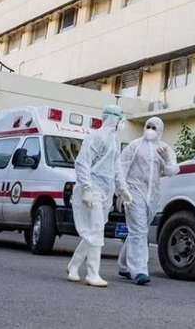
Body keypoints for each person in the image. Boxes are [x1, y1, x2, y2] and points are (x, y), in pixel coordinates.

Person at [65, 104, 127, 287]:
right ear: (114, 119)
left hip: (106, 191)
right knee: (97, 229)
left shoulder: (114, 140)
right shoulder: (96, 137)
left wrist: (123, 189)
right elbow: (82, 163)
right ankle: (93, 274)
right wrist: (86, 188)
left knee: (94, 230)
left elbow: (117, 167)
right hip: (93, 188)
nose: (122, 123)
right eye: (121, 120)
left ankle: (73, 265)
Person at [116, 116, 179, 285]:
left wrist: (167, 159)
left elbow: (172, 171)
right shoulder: (134, 145)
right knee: (139, 231)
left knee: (139, 230)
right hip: (133, 192)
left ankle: (124, 265)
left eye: (154, 127)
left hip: (152, 197)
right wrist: (121, 191)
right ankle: (139, 271)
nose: (150, 130)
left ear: (160, 130)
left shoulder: (164, 149)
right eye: (148, 126)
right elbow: (121, 167)